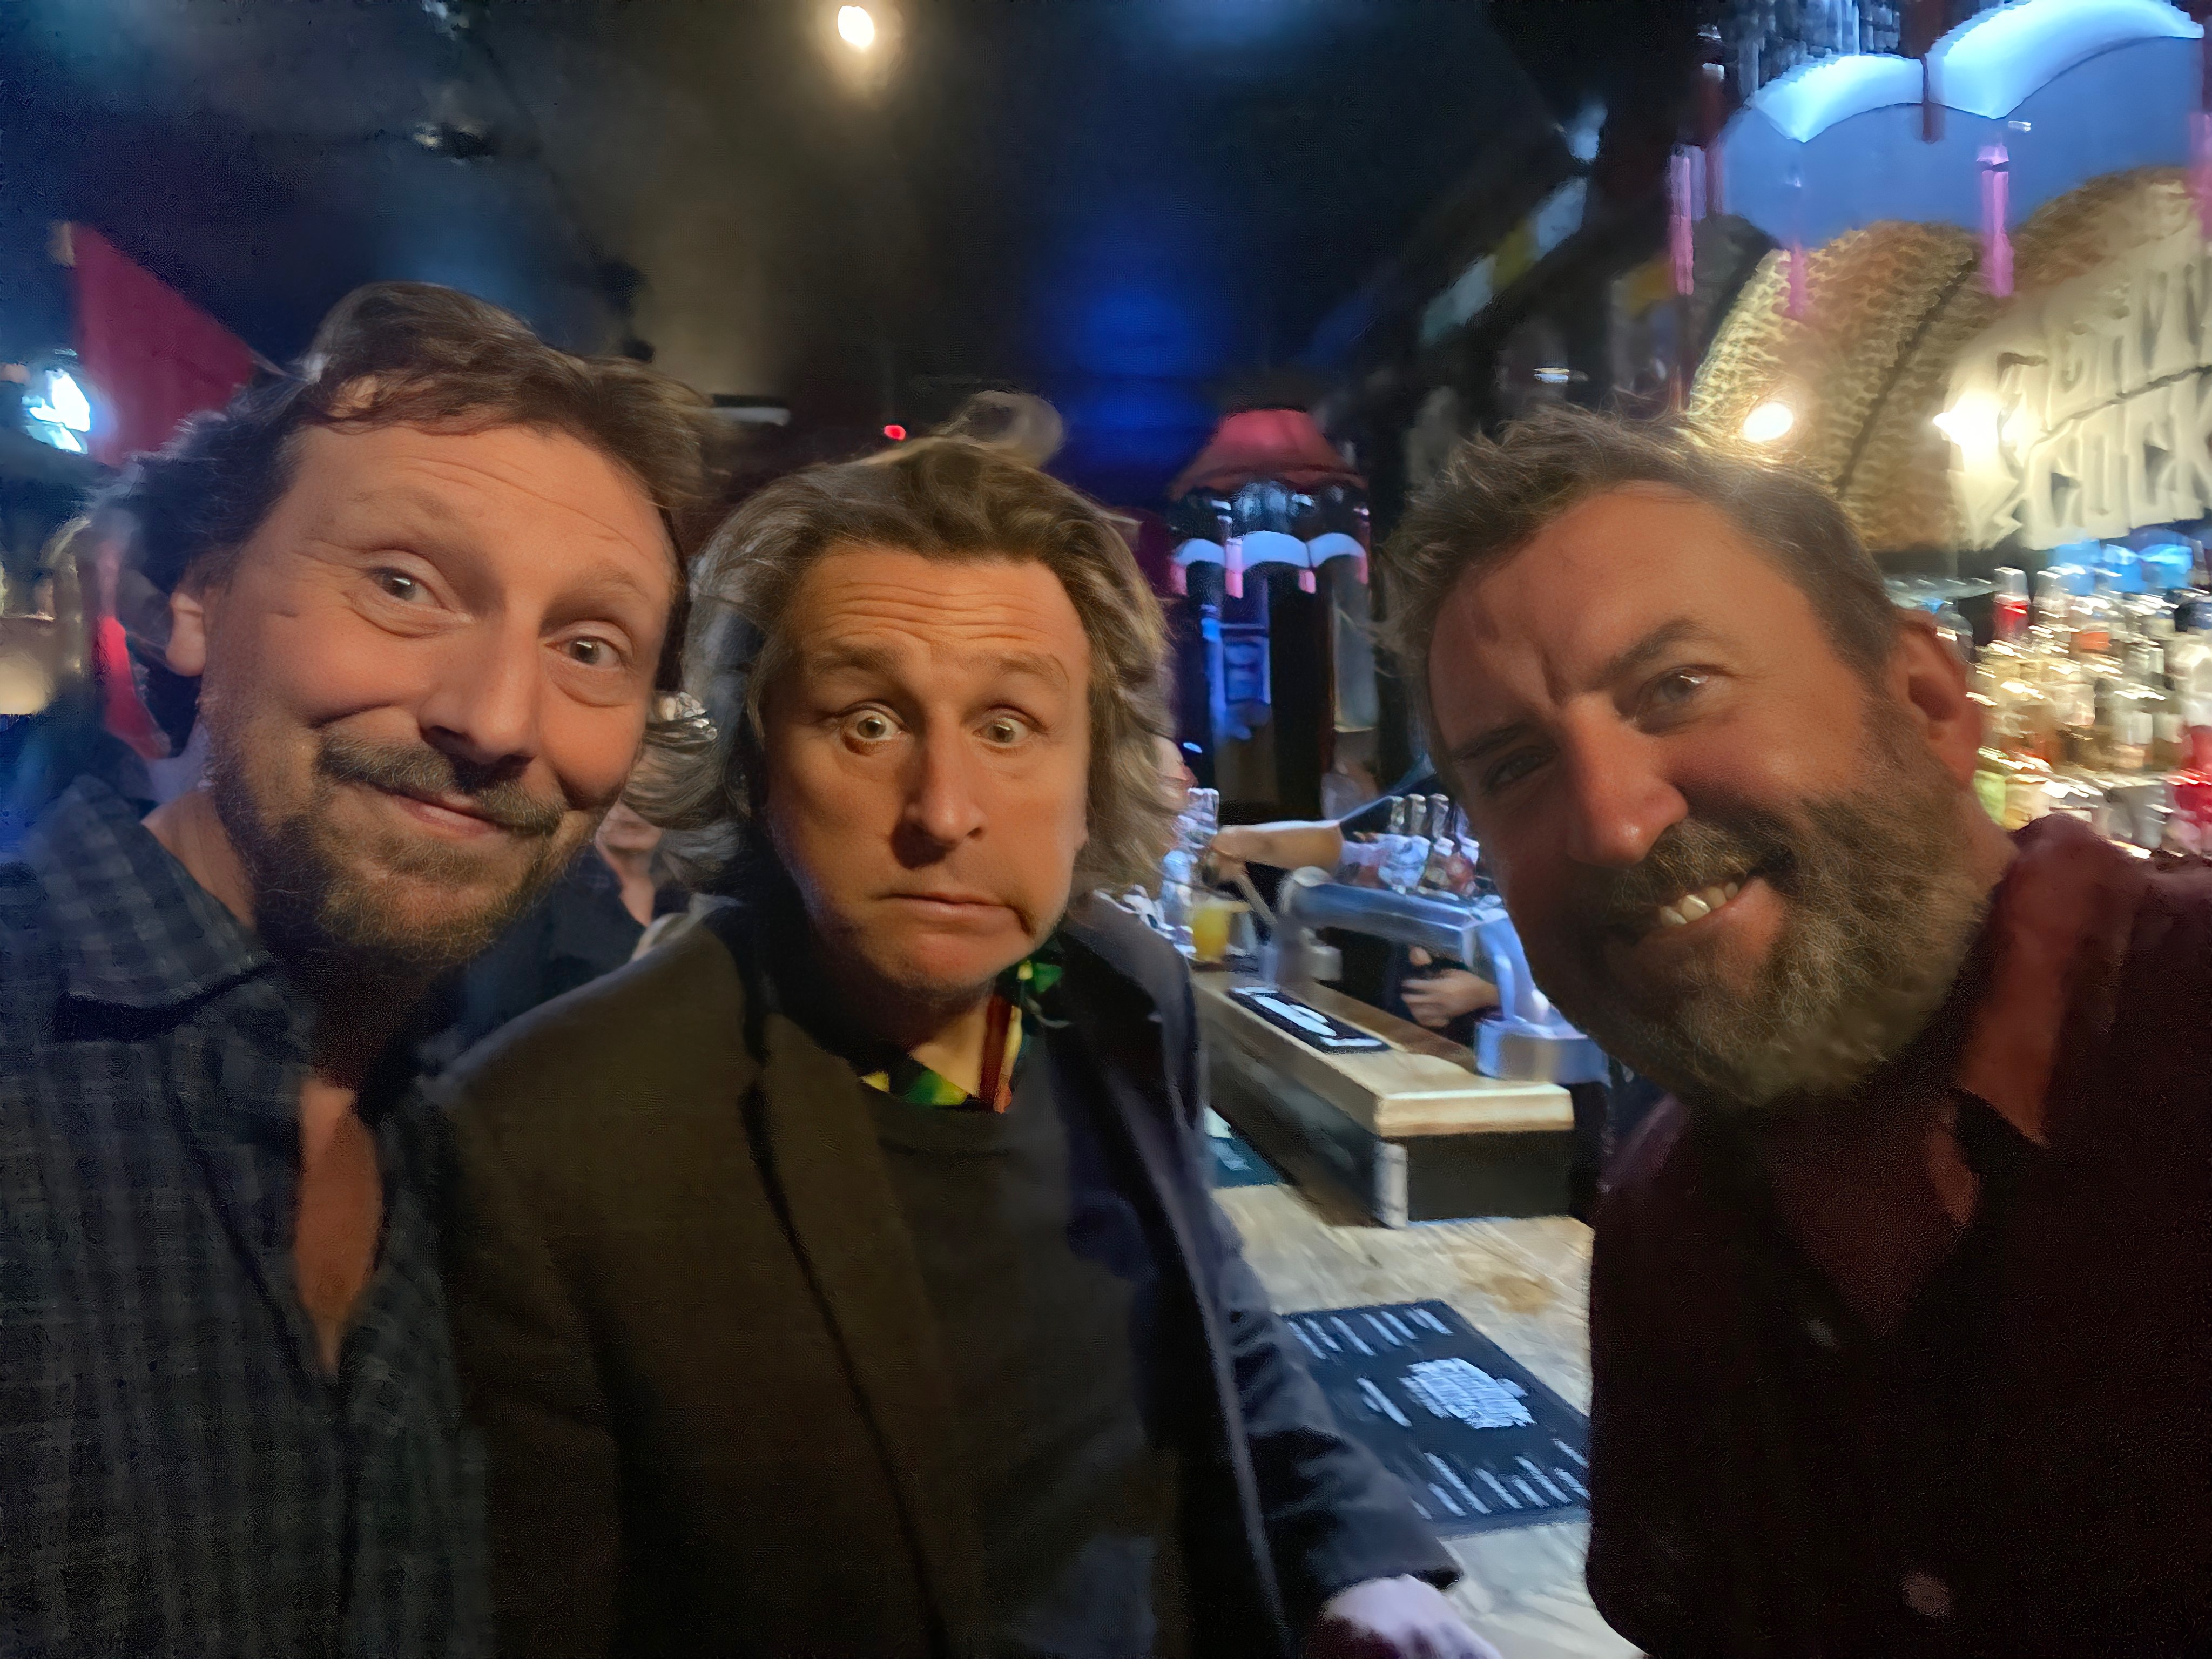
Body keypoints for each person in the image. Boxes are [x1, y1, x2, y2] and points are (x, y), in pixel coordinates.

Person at [441, 434, 1495, 1659]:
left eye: (1008, 724)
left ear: (1093, 769)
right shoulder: (549, 1139)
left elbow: (1213, 1314)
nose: (943, 811)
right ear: (756, 763)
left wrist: (1358, 1555)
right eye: (868, 721)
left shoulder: (1110, 990)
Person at [1386, 403, 2212, 1656]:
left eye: (1676, 686)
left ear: (1926, 700)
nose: (1609, 821)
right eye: (1513, 766)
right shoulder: (1665, 1221)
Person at [0, 280, 707, 1656]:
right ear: (194, 594)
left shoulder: (460, 1156)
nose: (495, 718)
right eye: (402, 584)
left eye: (588, 647)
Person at [420, 796, 687, 1065]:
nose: (631, 813)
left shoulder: (683, 903)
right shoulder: (546, 887)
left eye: (652, 796)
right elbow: (488, 1020)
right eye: (625, 797)